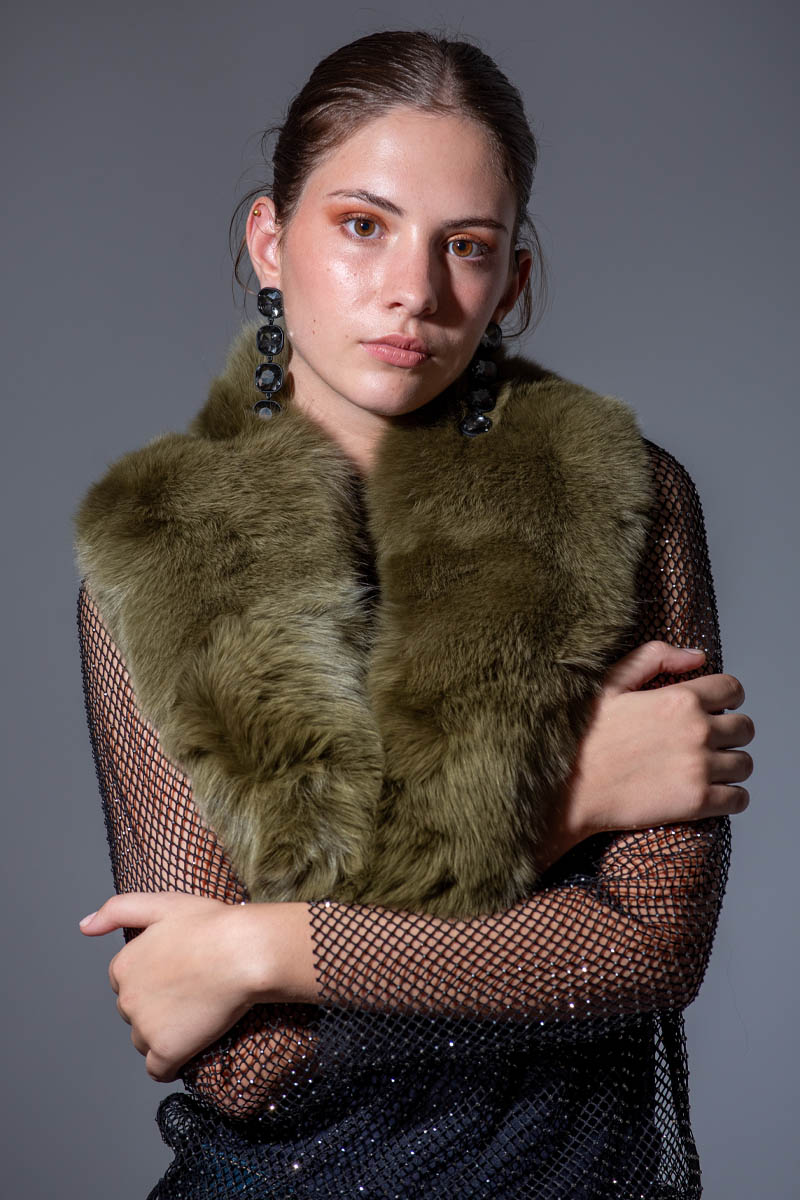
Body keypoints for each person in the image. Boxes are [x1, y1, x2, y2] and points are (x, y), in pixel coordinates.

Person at [74, 30, 753, 1200]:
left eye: (465, 247)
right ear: (269, 242)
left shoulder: (619, 502)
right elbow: (243, 1064)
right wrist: (557, 798)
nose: (413, 291)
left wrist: (262, 945)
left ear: (510, 284)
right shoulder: (161, 556)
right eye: (361, 225)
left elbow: (649, 945)